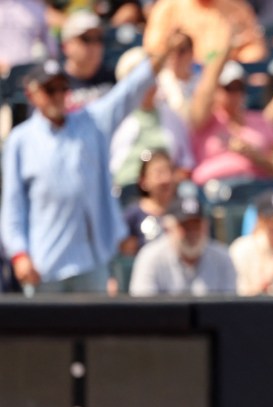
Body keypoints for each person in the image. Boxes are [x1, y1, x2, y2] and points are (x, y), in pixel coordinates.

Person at [1, 39, 181, 295]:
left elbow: (129, 91)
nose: (57, 95)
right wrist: (19, 253)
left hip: (91, 260)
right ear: (32, 94)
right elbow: (12, 205)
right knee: (46, 334)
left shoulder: (92, 122)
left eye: (62, 88)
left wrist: (160, 57)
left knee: (92, 332)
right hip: (44, 262)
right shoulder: (21, 139)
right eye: (49, 89)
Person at [188, 38, 273, 186]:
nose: (235, 94)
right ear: (216, 89)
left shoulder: (260, 120)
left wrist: (255, 156)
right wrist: (223, 54)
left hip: (254, 186)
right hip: (213, 188)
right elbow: (202, 99)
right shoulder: (206, 120)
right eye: (228, 88)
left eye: (239, 87)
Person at [109, 47, 194, 189]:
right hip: (126, 191)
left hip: (165, 191)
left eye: (152, 77)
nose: (149, 83)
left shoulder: (171, 115)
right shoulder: (115, 117)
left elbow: (187, 163)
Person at [129, 195, 237, 296]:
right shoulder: (150, 257)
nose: (192, 233)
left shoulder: (222, 258)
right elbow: (143, 309)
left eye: (196, 226)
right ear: (168, 229)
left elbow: (229, 309)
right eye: (185, 227)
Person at [143, 0, 268, 64]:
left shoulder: (238, 9)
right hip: (182, 82)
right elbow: (154, 49)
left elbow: (256, 51)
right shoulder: (168, 7)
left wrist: (229, 60)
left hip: (225, 82)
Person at [61, 10, 115, 112]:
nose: (94, 46)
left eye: (98, 38)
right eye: (86, 39)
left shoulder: (115, 77)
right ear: (66, 46)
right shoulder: (54, 85)